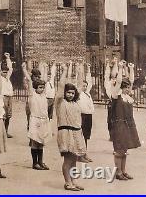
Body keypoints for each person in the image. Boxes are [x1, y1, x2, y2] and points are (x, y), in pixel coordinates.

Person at [55, 62, 86, 191]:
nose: (70, 95)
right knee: (68, 160)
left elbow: (79, 84)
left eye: (72, 93)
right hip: (66, 133)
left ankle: (73, 181)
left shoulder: (76, 102)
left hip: (77, 133)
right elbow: (61, 85)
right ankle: (68, 182)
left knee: (74, 160)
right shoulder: (60, 102)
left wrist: (80, 69)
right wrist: (65, 70)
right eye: (68, 93)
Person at [110, 61, 141, 180]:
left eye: (128, 87)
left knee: (125, 149)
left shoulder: (128, 98)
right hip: (119, 125)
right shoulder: (116, 96)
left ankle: (123, 170)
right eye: (126, 87)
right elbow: (117, 82)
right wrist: (120, 67)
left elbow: (131, 81)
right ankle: (117, 172)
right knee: (119, 149)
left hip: (128, 125)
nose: (128, 89)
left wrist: (131, 69)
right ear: (121, 88)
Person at [22, 62, 51, 170]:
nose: (42, 89)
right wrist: (25, 70)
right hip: (35, 120)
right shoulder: (32, 95)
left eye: (43, 87)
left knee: (41, 142)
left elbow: (45, 80)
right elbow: (29, 81)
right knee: (35, 141)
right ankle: (35, 163)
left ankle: (41, 161)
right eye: (39, 87)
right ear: (35, 88)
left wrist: (44, 68)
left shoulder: (43, 95)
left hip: (44, 120)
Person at [78, 63, 94, 162]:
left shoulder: (87, 93)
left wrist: (88, 70)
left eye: (86, 86)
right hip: (82, 116)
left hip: (89, 116)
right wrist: (80, 69)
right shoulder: (79, 93)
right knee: (82, 135)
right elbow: (79, 81)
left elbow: (90, 82)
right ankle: (80, 155)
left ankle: (84, 154)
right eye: (83, 86)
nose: (84, 87)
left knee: (86, 136)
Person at [0, 53, 13, 138]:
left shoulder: (8, 78)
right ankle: (1, 132)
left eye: (6, 72)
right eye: (4, 72)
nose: (5, 74)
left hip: (10, 97)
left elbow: (10, 69)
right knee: (3, 115)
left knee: (8, 115)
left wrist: (8, 58)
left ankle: (6, 131)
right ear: (1, 71)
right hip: (3, 97)